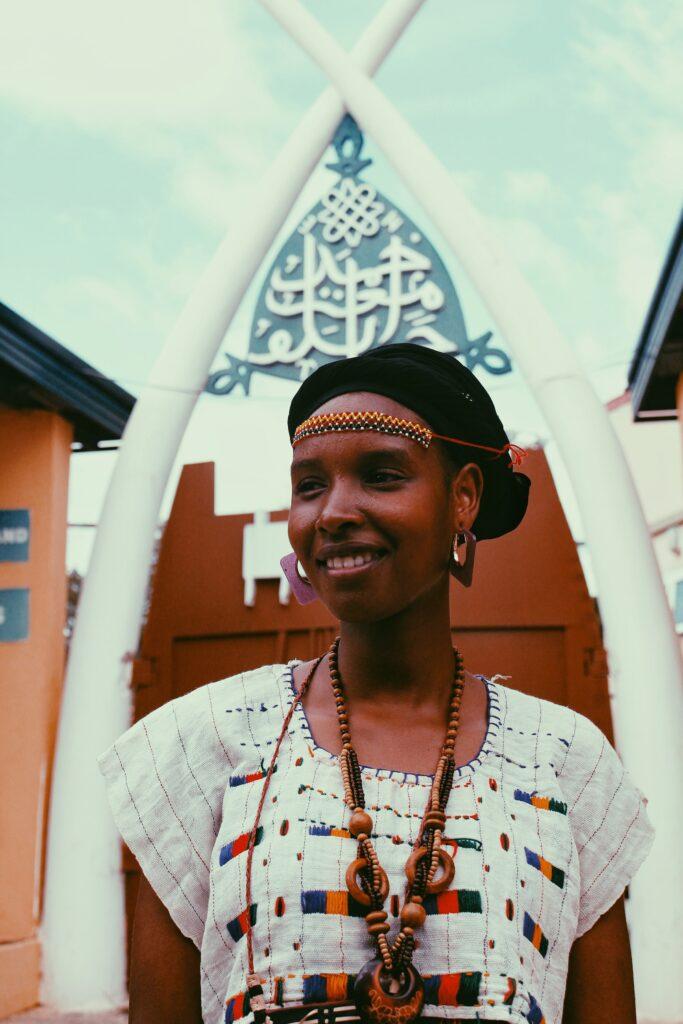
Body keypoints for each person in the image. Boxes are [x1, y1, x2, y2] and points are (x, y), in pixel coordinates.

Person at [99, 343, 654, 1024]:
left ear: (463, 499)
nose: (331, 512)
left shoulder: (565, 761)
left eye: (381, 475)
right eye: (308, 486)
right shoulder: (199, 746)